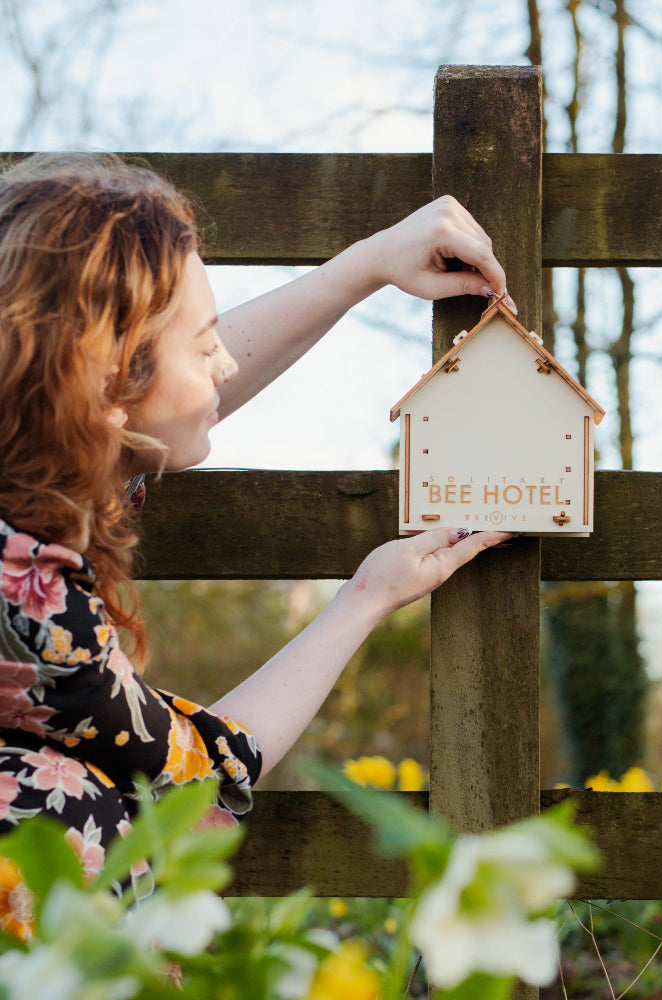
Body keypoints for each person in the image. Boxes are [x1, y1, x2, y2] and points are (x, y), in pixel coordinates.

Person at [0, 151, 511, 880]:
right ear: (105, 384)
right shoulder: (34, 602)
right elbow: (195, 773)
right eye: (205, 344)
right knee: (86, 810)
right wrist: (368, 599)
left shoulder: (34, 473)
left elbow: (160, 410)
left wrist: (366, 266)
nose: (226, 363)